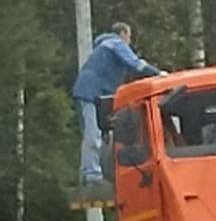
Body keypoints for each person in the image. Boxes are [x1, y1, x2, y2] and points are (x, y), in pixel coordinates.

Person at [70, 22, 166, 184]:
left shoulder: (103, 47)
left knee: (93, 134)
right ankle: (92, 175)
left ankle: (87, 173)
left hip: (90, 92)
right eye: (129, 36)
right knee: (92, 135)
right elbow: (136, 63)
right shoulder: (115, 43)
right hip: (90, 93)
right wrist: (158, 74)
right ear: (122, 34)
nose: (129, 41)